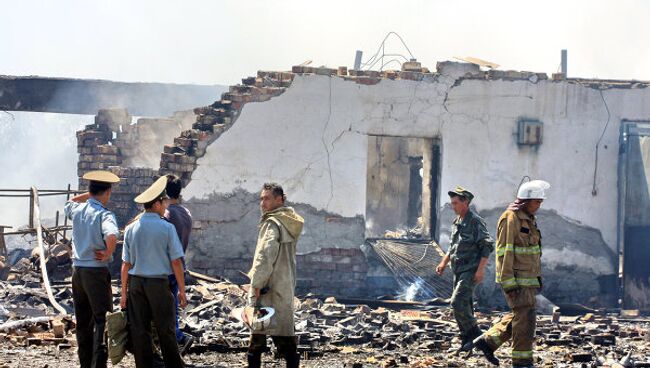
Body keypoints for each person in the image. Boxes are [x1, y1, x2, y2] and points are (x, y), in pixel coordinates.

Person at [469, 180, 550, 368]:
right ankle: (522, 362)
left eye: (540, 202)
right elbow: (504, 252)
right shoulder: (511, 218)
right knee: (525, 321)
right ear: (525, 201)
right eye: (536, 201)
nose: (539, 205)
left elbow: (532, 254)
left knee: (522, 316)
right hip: (517, 281)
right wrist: (509, 283)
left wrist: (537, 279)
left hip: (528, 281)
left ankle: (488, 342)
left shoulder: (529, 219)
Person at [120, 176, 186, 368]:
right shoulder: (167, 228)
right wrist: (182, 290)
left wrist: (124, 293)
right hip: (158, 284)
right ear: (156, 203)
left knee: (140, 331)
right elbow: (176, 262)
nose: (166, 206)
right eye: (164, 202)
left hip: (136, 285)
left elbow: (126, 264)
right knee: (166, 330)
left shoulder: (131, 229)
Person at [65, 170, 120, 368]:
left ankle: (85, 364)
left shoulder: (78, 210)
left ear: (90, 191)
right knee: (102, 320)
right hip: (95, 272)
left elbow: (70, 201)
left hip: (77, 271)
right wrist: (108, 252)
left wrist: (90, 193)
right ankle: (99, 365)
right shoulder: (104, 214)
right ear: (108, 192)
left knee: (83, 321)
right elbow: (112, 235)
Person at [246, 183, 304, 368]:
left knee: (258, 335)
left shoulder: (272, 223)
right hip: (284, 285)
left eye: (267, 198)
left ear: (280, 199)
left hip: (267, 287)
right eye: (261, 198)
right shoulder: (288, 221)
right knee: (284, 332)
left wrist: (256, 284)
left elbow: (264, 257)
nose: (262, 203)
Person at [436, 186, 494, 354]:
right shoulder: (457, 222)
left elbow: (487, 246)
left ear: (465, 202)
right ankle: (466, 341)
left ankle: (478, 337)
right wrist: (443, 263)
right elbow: (452, 247)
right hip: (458, 270)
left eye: (455, 203)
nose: (452, 206)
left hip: (470, 270)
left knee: (456, 302)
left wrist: (480, 271)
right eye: (451, 203)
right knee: (463, 307)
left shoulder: (475, 221)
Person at [163, 174, 194, 354]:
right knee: (172, 306)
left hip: (166, 267)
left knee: (165, 309)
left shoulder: (166, 215)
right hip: (179, 267)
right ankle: (177, 338)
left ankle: (178, 338)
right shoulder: (186, 213)